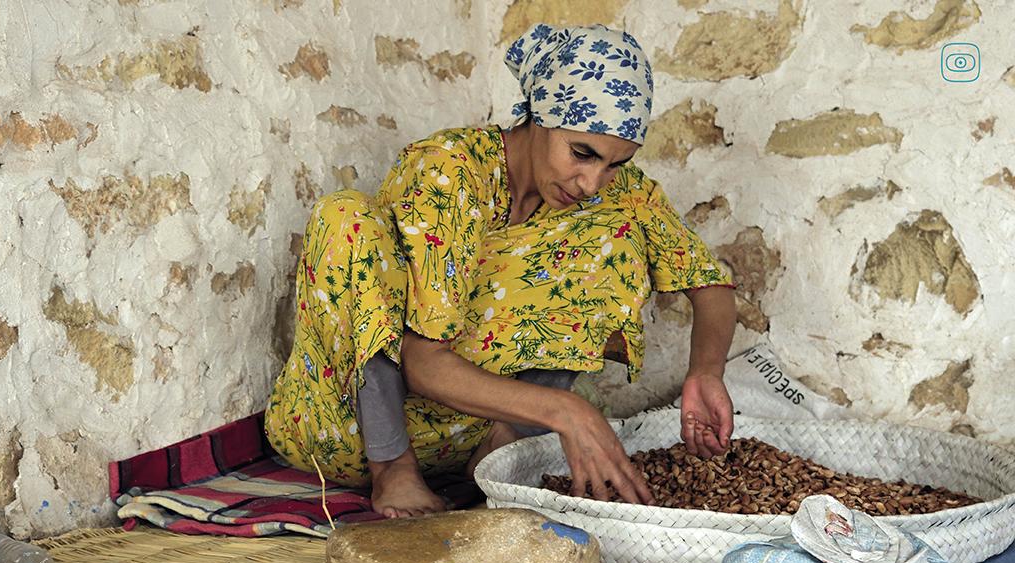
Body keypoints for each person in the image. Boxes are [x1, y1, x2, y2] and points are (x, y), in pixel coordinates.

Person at [264, 23, 736, 518]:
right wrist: (567, 412)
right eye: (582, 153)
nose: (593, 182)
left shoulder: (620, 193)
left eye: (615, 164)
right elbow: (422, 361)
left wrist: (705, 372)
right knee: (347, 218)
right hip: (347, 429)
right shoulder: (449, 170)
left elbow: (709, 282)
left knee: (619, 231)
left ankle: (503, 450)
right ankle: (393, 470)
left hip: (466, 432)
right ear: (540, 116)